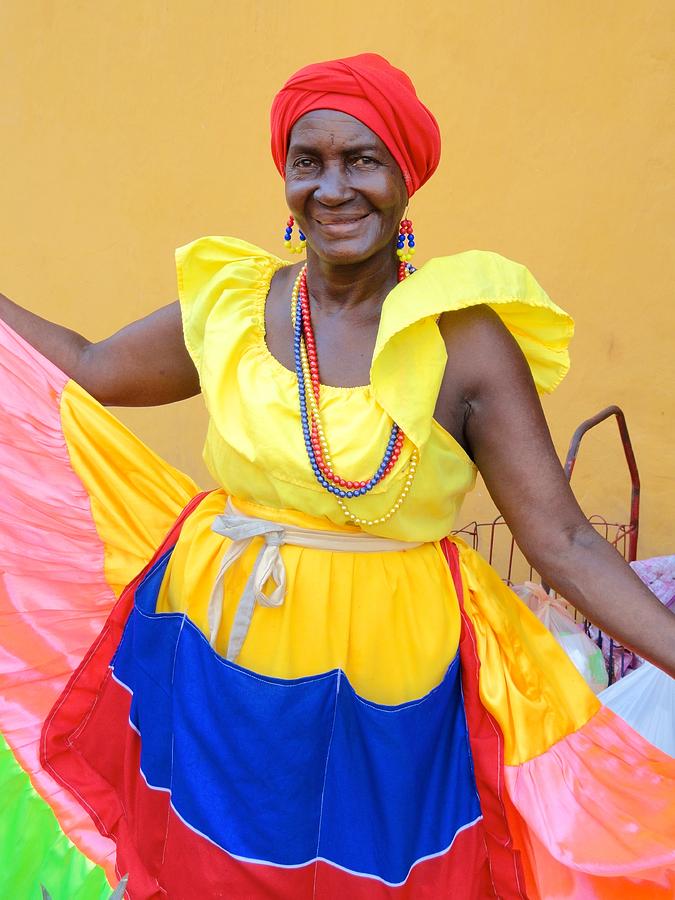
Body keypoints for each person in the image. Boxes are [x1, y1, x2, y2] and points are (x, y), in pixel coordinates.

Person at [0, 53, 673, 900]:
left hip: (391, 679)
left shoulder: (462, 344)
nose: (332, 188)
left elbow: (567, 542)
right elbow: (91, 368)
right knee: (218, 861)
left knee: (380, 871)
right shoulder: (237, 309)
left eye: (362, 160)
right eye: (307, 163)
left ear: (403, 179)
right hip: (218, 650)